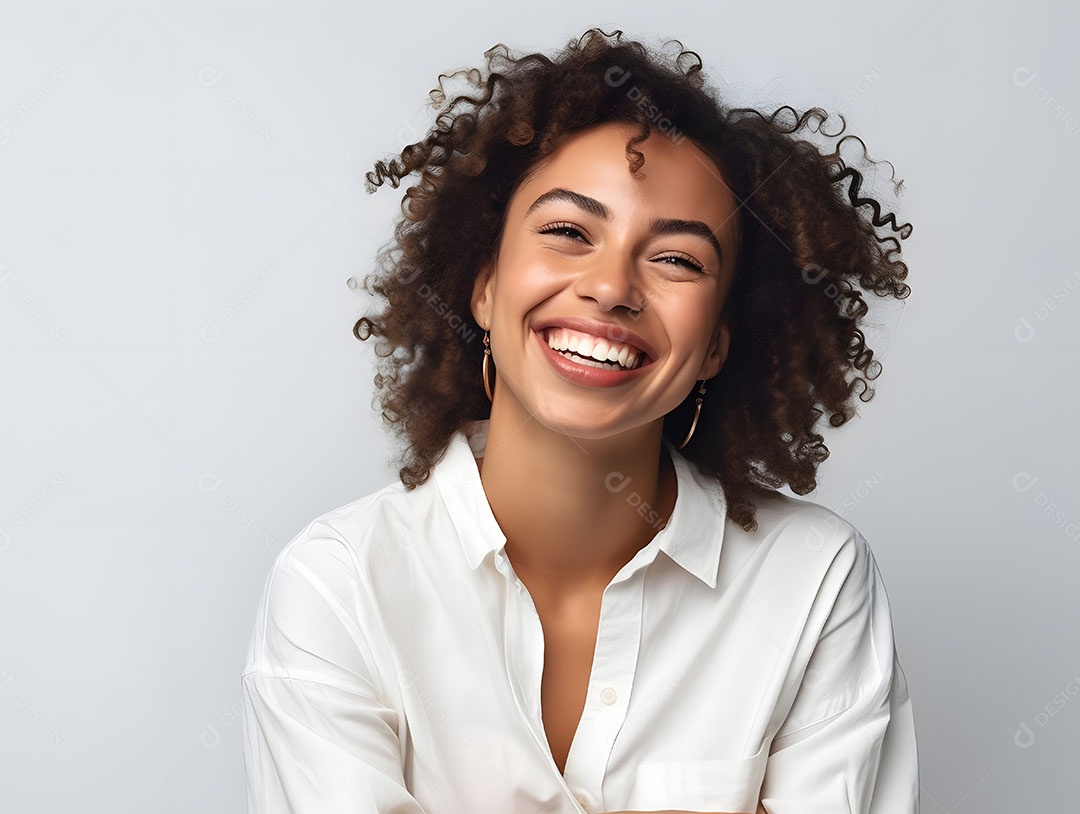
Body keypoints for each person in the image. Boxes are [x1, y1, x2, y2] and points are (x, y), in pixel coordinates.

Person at [240, 27, 918, 814]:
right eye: (568, 232)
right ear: (484, 288)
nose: (611, 287)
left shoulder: (814, 581)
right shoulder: (338, 586)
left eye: (677, 260)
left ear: (715, 347)